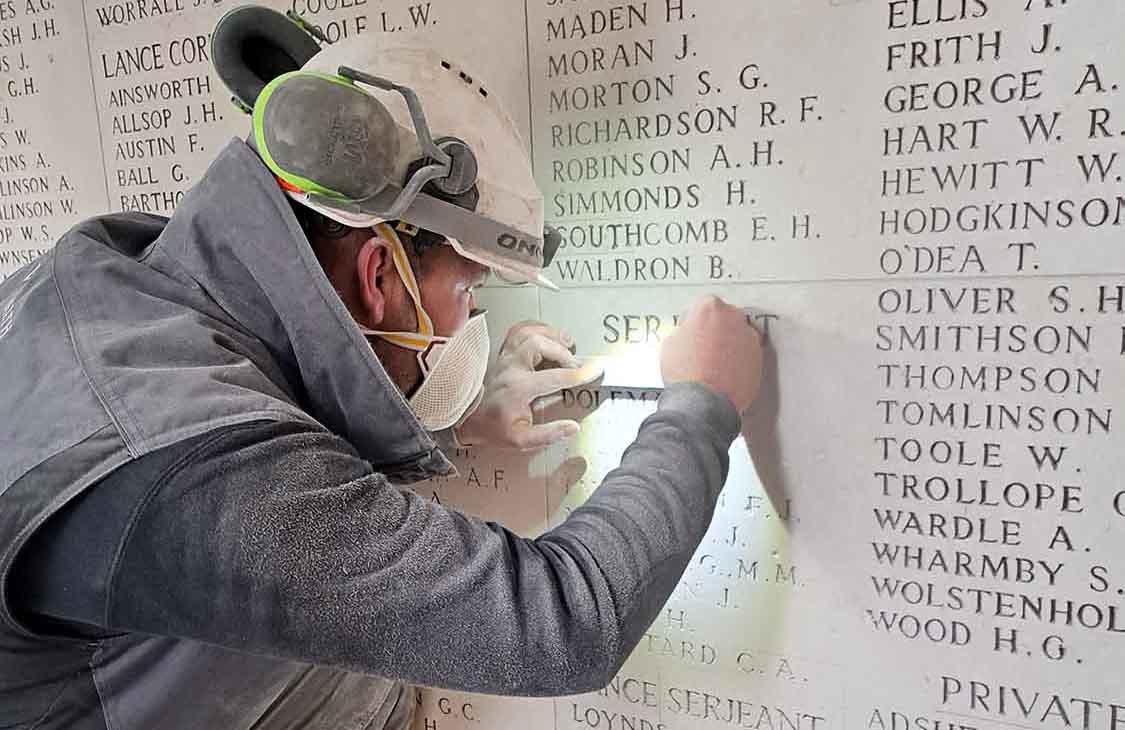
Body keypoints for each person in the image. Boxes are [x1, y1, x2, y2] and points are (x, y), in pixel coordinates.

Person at [0, 7, 763, 729]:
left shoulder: (127, 290)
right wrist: (701, 402)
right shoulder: (180, 464)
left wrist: (454, 425)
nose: (469, 322)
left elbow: (268, 478)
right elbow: (562, 625)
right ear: (379, 273)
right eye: (467, 291)